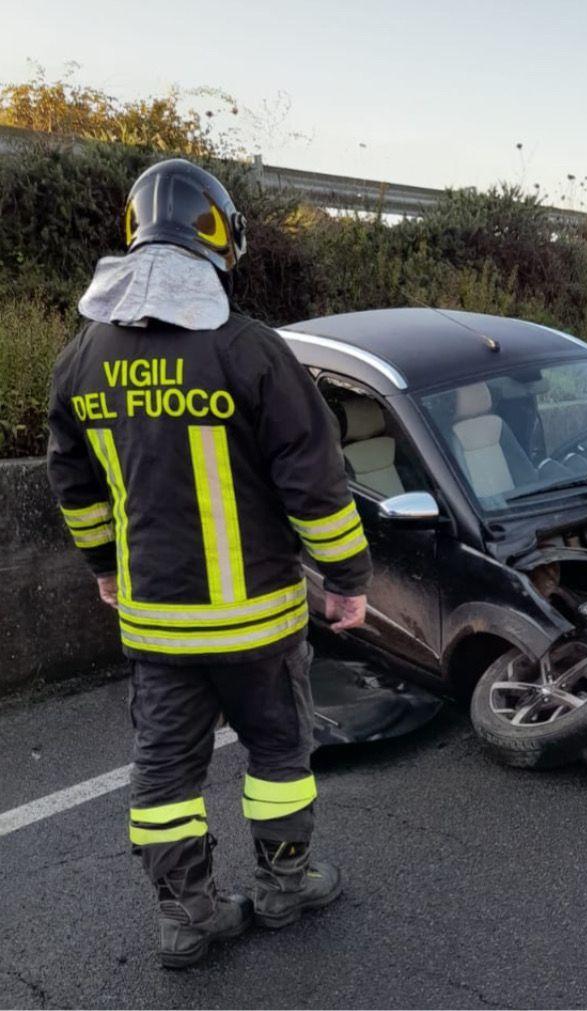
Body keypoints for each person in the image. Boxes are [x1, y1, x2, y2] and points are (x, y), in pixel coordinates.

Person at [46, 159, 372, 968]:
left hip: (157, 625)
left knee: (164, 770)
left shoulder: (82, 360)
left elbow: (75, 486)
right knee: (279, 756)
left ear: (133, 234)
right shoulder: (249, 350)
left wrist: (104, 566)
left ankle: (187, 915)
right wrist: (348, 580)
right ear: (219, 235)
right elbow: (316, 484)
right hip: (259, 623)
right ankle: (285, 884)